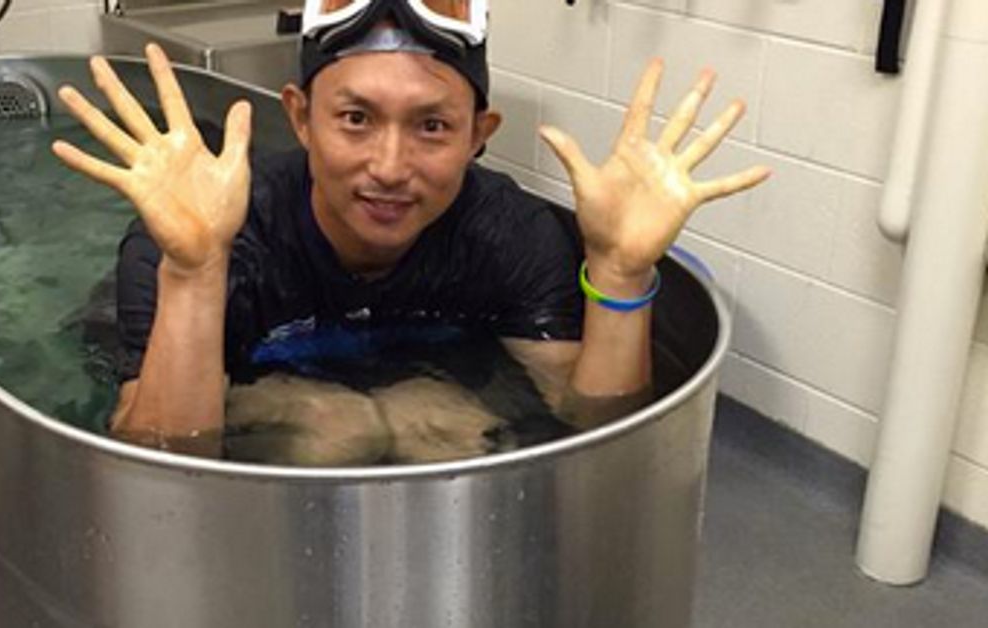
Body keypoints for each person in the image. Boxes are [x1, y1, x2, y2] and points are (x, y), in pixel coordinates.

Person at [52, 0, 770, 464]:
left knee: (459, 435)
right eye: (355, 119)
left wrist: (619, 274)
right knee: (339, 433)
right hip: (201, 350)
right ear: (300, 117)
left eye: (431, 126)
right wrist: (194, 274)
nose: (389, 168)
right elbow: (156, 453)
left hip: (380, 357)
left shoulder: (508, 235)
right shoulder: (204, 240)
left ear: (479, 134)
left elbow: (589, 421)